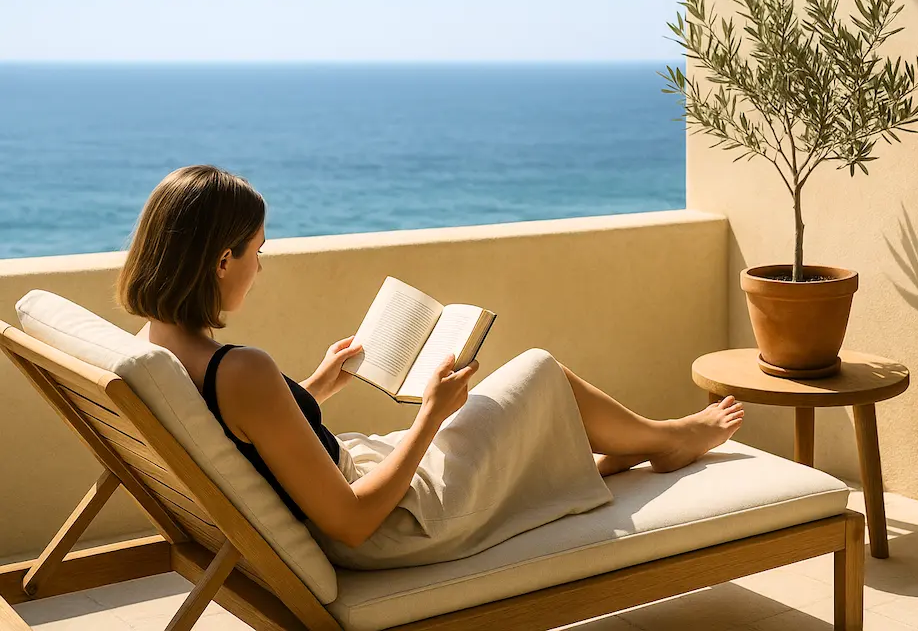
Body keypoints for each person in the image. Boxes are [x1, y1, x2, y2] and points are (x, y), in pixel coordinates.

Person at [118, 165, 744, 567]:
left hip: (345, 476)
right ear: (221, 261)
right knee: (539, 371)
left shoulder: (156, 345)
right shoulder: (243, 371)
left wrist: (314, 389)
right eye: (258, 251)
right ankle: (668, 438)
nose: (261, 266)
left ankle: (641, 444)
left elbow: (245, 436)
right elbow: (354, 522)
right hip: (393, 524)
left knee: (522, 401)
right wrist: (431, 415)